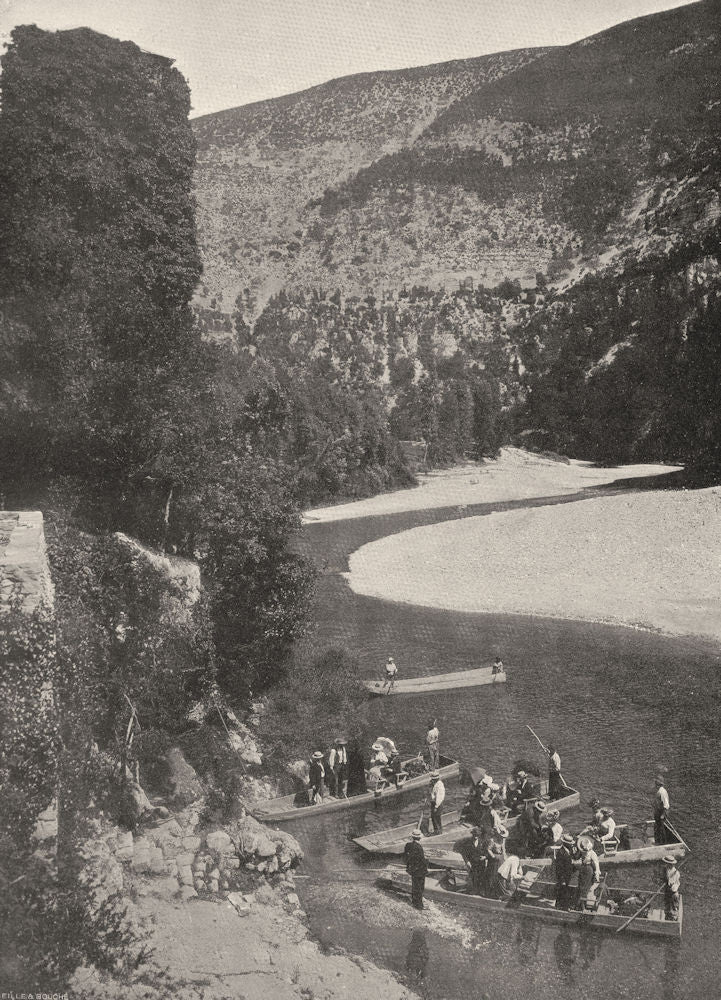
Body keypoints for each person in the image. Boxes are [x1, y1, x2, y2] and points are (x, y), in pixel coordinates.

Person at [404, 829, 428, 910]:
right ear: (419, 838)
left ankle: (415, 902)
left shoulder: (408, 845)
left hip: (412, 869)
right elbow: (422, 860)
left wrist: (408, 867)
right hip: (419, 871)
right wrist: (426, 866)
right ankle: (419, 906)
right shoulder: (419, 847)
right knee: (420, 888)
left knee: (415, 886)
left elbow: (406, 857)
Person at [575, 836, 601, 910]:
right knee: (580, 886)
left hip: (588, 870)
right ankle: (581, 904)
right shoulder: (582, 851)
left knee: (585, 888)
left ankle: (582, 906)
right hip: (582, 869)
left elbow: (596, 864)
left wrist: (597, 874)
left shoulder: (592, 853)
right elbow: (577, 857)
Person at [460, 826, 487, 894]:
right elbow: (464, 853)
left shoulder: (482, 842)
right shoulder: (468, 842)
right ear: (472, 834)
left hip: (481, 862)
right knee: (473, 876)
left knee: (481, 876)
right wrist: (467, 861)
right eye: (475, 835)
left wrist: (485, 857)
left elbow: (487, 851)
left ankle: (481, 890)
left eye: (477, 835)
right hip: (472, 862)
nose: (476, 837)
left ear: (479, 835)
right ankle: (474, 889)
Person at [554, 833, 577, 910]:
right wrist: (562, 879)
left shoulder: (568, 850)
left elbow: (572, 858)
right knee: (562, 890)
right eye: (570, 844)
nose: (571, 845)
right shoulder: (561, 853)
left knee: (565, 890)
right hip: (563, 876)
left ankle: (562, 906)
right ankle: (560, 906)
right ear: (565, 844)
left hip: (568, 874)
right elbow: (559, 868)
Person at [662, 856, 681, 921]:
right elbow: (664, 878)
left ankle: (674, 918)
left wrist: (671, 886)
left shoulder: (676, 873)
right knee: (667, 903)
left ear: (672, 864)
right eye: (666, 863)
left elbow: (675, 883)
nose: (666, 864)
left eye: (668, 863)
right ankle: (667, 916)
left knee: (673, 905)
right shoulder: (666, 869)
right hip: (667, 890)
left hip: (673, 891)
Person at [654, 776, 670, 845]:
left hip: (662, 813)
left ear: (658, 783)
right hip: (658, 812)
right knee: (658, 827)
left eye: (656, 782)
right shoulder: (659, 791)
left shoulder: (662, 792)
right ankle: (658, 842)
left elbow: (666, 805)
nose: (655, 783)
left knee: (661, 828)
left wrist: (663, 815)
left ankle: (663, 843)